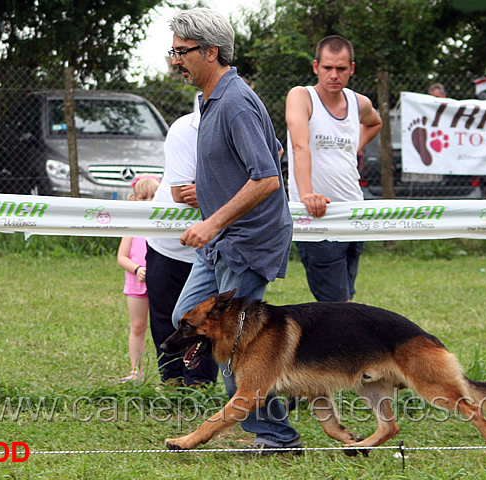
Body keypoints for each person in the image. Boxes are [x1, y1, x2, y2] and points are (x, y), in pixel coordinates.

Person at [168, 7, 301, 452]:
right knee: (186, 316)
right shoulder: (213, 99)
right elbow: (273, 151)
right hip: (223, 240)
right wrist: (207, 192)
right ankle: (277, 399)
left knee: (231, 345)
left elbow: (266, 176)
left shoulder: (235, 100)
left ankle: (276, 436)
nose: (175, 61)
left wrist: (213, 220)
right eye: (173, 51)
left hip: (246, 243)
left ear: (211, 51)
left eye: (182, 52)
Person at [285, 35, 382, 303]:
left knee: (345, 299)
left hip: (353, 211)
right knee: (337, 304)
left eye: (341, 68)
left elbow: (375, 122)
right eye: (327, 68)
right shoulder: (301, 96)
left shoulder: (358, 102)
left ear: (352, 68)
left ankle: (349, 344)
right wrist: (307, 195)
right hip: (317, 216)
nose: (334, 75)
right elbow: (299, 146)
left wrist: (350, 149)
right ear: (316, 67)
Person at [146, 109, 218, 387]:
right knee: (165, 317)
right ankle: (171, 380)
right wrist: (229, 187)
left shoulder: (244, 122)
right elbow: (183, 193)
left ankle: (200, 383)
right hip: (166, 244)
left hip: (212, 247)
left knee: (207, 321)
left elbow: (274, 155)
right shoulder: (183, 130)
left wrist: (210, 189)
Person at [117, 175, 161, 383]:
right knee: (137, 326)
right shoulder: (132, 226)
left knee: (163, 324)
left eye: (154, 197)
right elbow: (121, 257)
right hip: (136, 284)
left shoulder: (165, 224)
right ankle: (137, 371)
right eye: (144, 197)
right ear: (134, 200)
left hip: (160, 281)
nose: (149, 202)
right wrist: (137, 270)